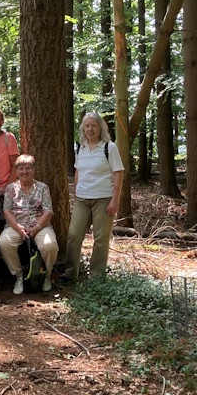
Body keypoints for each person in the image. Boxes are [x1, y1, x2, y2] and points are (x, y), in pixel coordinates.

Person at [63, 111, 125, 282]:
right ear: (83, 128)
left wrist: (115, 200)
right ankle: (70, 274)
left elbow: (118, 174)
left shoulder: (109, 147)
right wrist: (77, 191)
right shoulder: (79, 147)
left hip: (104, 199)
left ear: (100, 127)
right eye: (87, 126)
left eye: (94, 126)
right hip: (82, 200)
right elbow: (77, 171)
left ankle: (96, 278)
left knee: (101, 239)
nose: (90, 129)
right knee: (74, 236)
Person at [0, 154, 57, 294]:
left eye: (28, 168)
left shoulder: (42, 188)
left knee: (50, 245)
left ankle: (46, 276)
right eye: (21, 169)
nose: (24, 172)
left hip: (40, 226)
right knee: (5, 243)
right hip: (16, 226)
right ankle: (19, 276)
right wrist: (18, 228)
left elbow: (48, 211)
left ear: (34, 169)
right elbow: (7, 210)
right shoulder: (11, 189)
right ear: (16, 171)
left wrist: (36, 228)